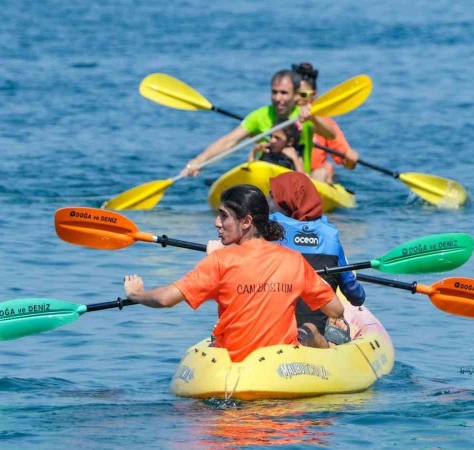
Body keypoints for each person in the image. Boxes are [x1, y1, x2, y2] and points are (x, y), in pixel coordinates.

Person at [123, 184, 347, 362]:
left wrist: (136, 294)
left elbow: (165, 299)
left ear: (247, 221)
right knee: (313, 330)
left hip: (233, 366)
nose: (217, 223)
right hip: (280, 366)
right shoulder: (294, 260)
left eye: (224, 216)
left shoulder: (219, 261)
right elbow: (336, 309)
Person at [268, 171, 366, 346]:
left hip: (273, 333)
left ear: (285, 201)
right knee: (340, 327)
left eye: (271, 196)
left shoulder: (269, 230)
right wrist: (352, 279)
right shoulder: (330, 236)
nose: (267, 202)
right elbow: (356, 297)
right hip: (316, 336)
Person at [181, 69, 335, 177]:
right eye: (274, 92)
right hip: (266, 178)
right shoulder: (259, 116)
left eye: (284, 93)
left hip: (298, 179)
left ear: (295, 95)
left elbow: (331, 135)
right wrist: (199, 161)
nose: (278, 98)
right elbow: (229, 141)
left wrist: (313, 118)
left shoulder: (305, 114)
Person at [292, 62, 360, 184]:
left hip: (314, 178)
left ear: (313, 95)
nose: (297, 99)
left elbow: (347, 163)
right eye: (293, 93)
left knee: (324, 171)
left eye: (303, 94)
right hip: (286, 171)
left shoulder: (325, 124)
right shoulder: (278, 118)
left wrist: (351, 158)